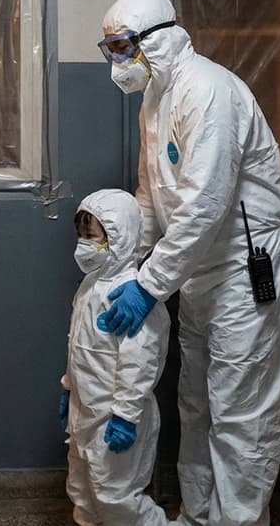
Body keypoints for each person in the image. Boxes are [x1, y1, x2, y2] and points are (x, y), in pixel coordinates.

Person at [97, 0, 280, 526]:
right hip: (196, 270)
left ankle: (238, 520)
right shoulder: (156, 96)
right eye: (110, 50)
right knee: (197, 403)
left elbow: (205, 206)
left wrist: (148, 286)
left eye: (122, 48)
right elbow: (151, 194)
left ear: (155, 41)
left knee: (241, 411)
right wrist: (130, 263)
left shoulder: (208, 90)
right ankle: (199, 514)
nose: (117, 62)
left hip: (245, 263)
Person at [60, 189, 170, 526]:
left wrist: (125, 415)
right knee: (81, 489)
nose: (84, 245)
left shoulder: (132, 295)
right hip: (85, 412)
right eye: (81, 236)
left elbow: (140, 364)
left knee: (117, 497)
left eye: (92, 238)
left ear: (118, 238)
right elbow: (77, 345)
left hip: (116, 417)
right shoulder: (89, 287)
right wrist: (68, 387)